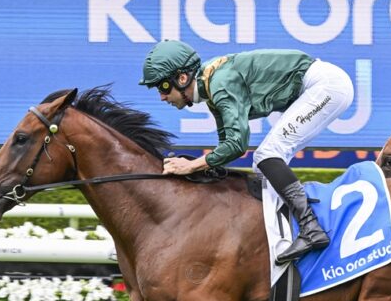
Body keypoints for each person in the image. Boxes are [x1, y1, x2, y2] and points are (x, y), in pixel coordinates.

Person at [139, 40, 354, 264]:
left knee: (267, 155)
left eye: (163, 86)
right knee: (263, 168)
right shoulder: (211, 86)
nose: (162, 97)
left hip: (325, 86)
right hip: (322, 86)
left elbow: (237, 145)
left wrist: (191, 165)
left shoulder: (219, 85)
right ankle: (283, 236)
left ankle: (311, 228)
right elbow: (226, 146)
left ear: (182, 78)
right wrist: (197, 167)